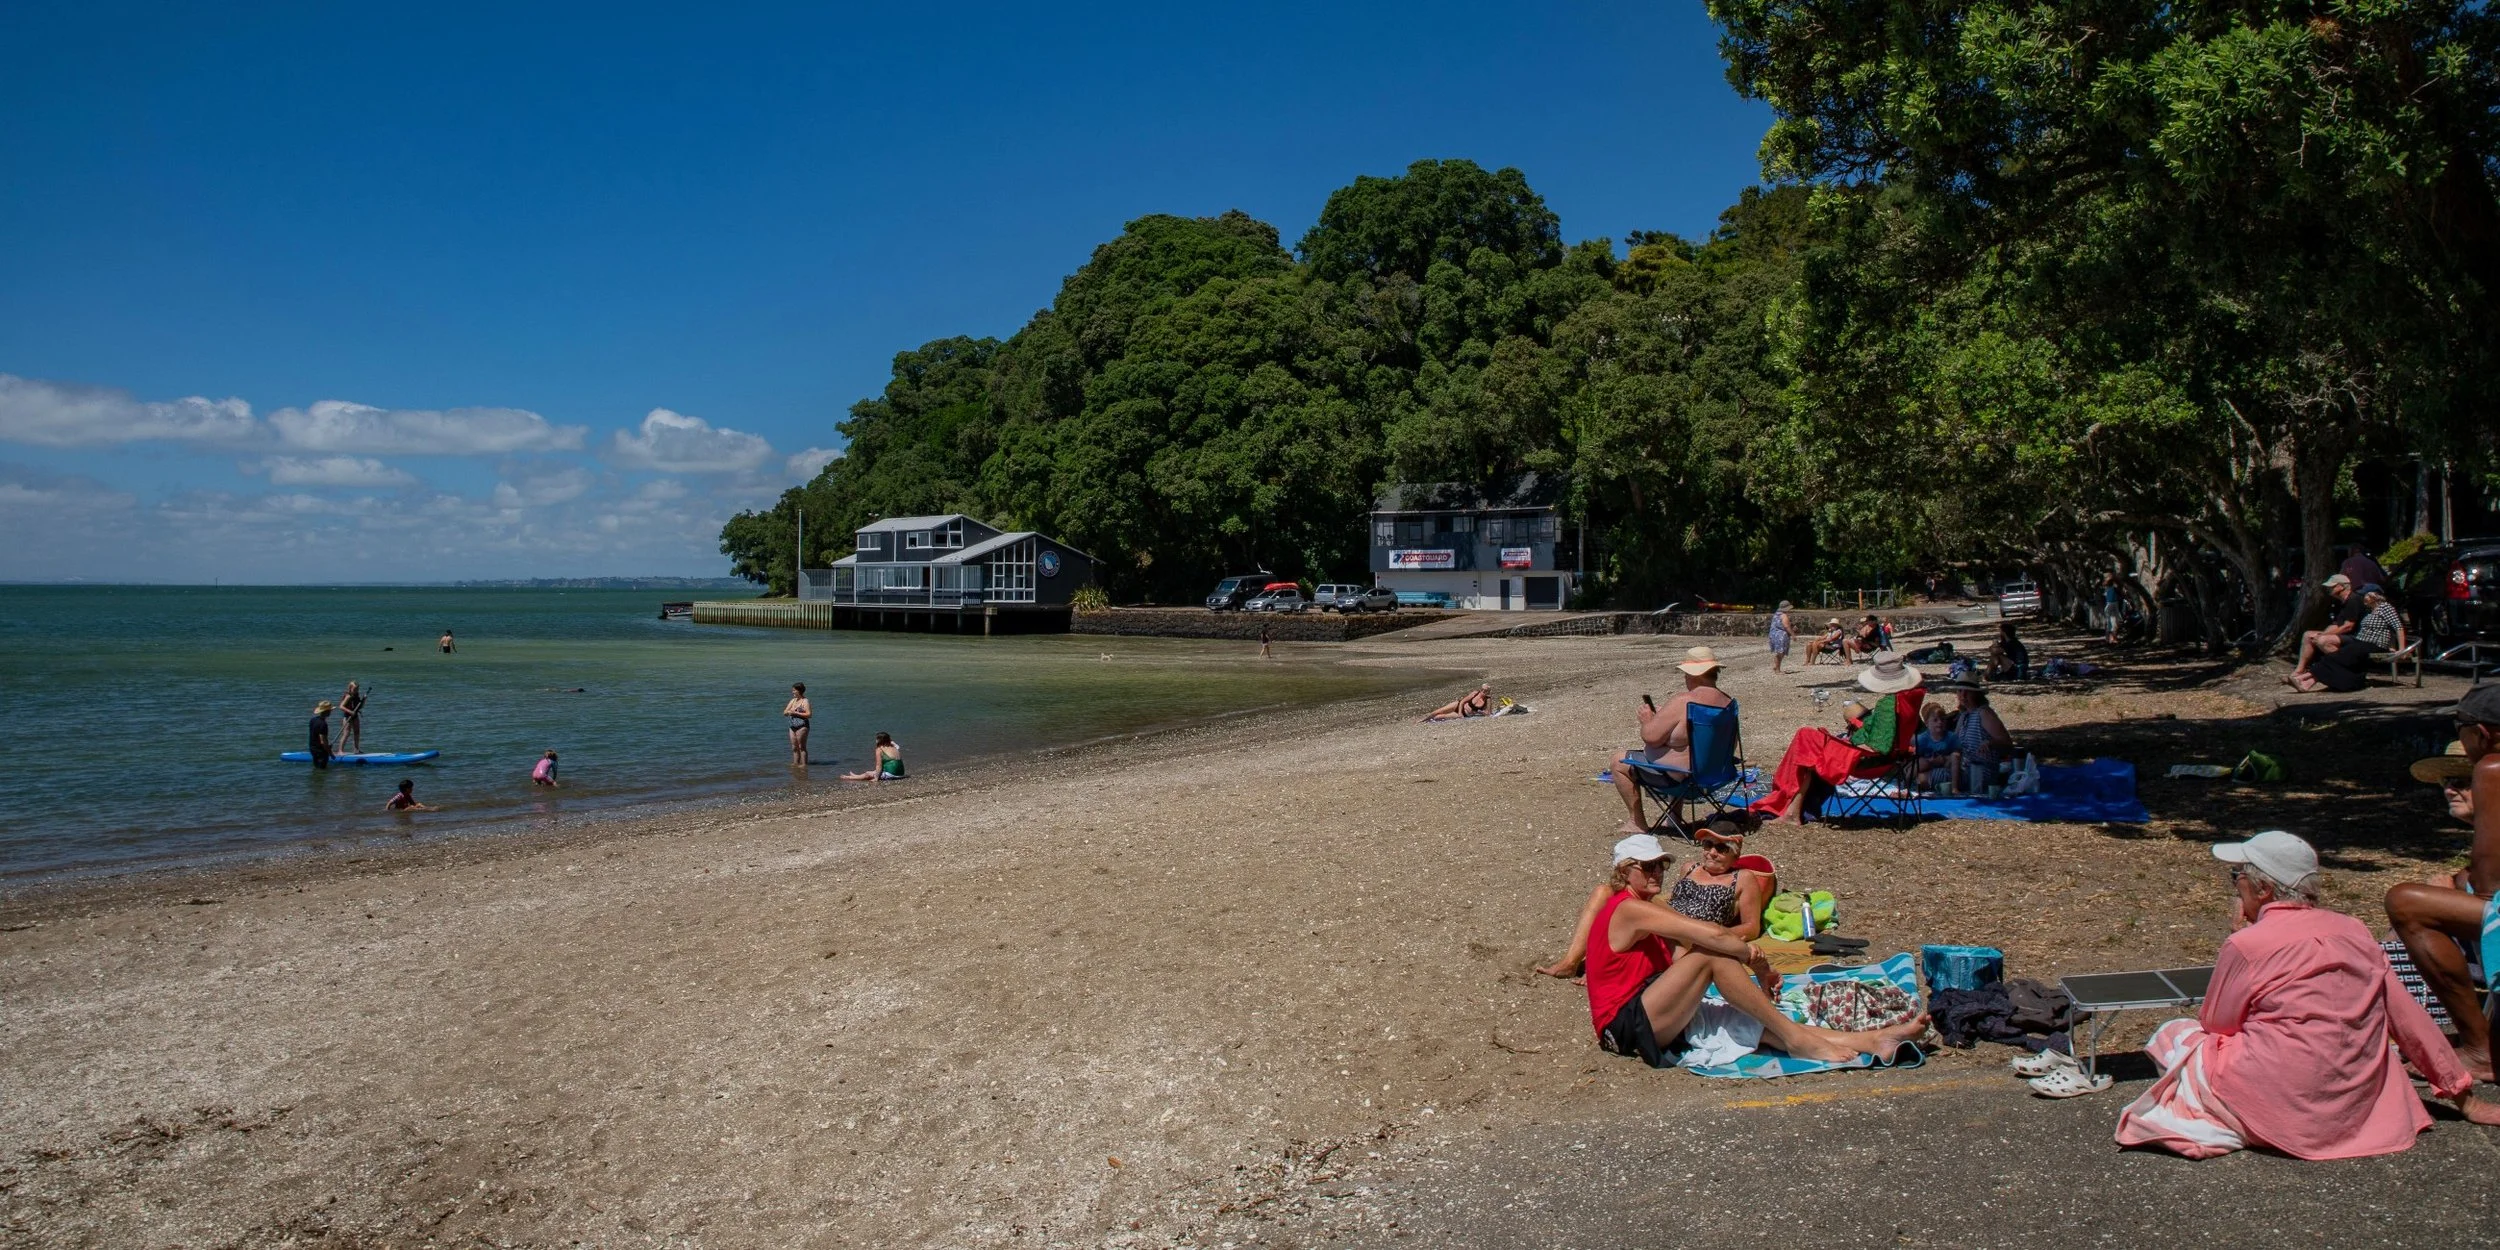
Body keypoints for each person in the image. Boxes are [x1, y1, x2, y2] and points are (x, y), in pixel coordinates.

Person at [2112, 830, 2500, 1157]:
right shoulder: (2354, 930)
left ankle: (2233, 1117)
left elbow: (2217, 1023)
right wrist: (2462, 1094)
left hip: (2285, 1108)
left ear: (2262, 889)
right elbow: (2410, 1019)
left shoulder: (2248, 944)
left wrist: (2237, 937)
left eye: (2237, 877)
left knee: (2176, 1033)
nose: (2234, 886)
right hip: (2356, 1110)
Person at [1582, 833, 1927, 1069]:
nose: (1657, 871)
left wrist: (1739, 982)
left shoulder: (1649, 905)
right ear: (1624, 871)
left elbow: (1684, 954)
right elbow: (1711, 937)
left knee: (1750, 1022)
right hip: (1623, 1026)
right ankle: (1798, 1041)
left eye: (1661, 864)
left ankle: (1873, 1040)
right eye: (1647, 866)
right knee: (1711, 955)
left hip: (1652, 1008)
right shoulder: (1628, 909)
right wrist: (1757, 964)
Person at [2383, 684, 2500, 1078]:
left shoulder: (2492, 767)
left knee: (2406, 902)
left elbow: (2489, 885)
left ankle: (2479, 1048)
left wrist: (2455, 891)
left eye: (2460, 727)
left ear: (2482, 733)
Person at [1538, 818, 1773, 980]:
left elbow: (1752, 927)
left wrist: (1710, 933)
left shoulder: (1742, 878)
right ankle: (1571, 961)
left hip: (1692, 933)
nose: (1712, 852)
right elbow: (1670, 897)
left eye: (1721, 848)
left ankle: (1600, 970)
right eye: (1708, 844)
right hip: (1669, 918)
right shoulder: (1689, 867)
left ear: (1735, 854)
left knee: (1630, 910)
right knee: (1604, 891)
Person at [1750, 651, 1923, 824]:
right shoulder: (1910, 700)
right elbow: (1911, 731)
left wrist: (1850, 745)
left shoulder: (1889, 704)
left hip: (1870, 762)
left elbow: (1880, 746)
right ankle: (1797, 810)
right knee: (1810, 744)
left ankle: (1790, 810)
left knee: (1806, 738)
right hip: (1894, 758)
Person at [1610, 647, 1735, 835]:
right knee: (1677, 750)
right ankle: (1674, 818)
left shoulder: (1684, 701)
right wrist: (1664, 718)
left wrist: (1648, 720)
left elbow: (1650, 737)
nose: (1685, 678)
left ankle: (1637, 823)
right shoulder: (1727, 702)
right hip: (1717, 774)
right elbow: (1692, 736)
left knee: (1618, 761)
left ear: (1694, 675)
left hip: (1682, 778)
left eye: (1685, 674)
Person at [2297, 586, 2403, 693]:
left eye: (2366, 595)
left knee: (2338, 657)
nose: (2363, 597)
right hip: (2361, 643)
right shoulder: (2370, 610)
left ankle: (2305, 677)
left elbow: (2398, 627)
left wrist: (2402, 649)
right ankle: (2308, 681)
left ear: (2374, 595)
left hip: (2373, 644)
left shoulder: (2385, 607)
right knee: (2335, 657)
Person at [2289, 573, 2363, 685]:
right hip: (2345, 635)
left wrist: (2323, 635)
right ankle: (2298, 672)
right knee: (2308, 635)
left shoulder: (2354, 599)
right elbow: (2337, 625)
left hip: (2357, 636)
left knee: (2323, 640)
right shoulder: (2341, 603)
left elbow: (2348, 626)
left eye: (2332, 586)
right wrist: (2322, 633)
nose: (2329, 589)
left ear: (2341, 586)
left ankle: (2343, 668)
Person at [1949, 684, 2014, 794]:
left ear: (1976, 694)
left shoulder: (1984, 713)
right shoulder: (1964, 716)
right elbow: (1954, 745)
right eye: (1960, 691)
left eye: (1967, 692)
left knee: (1925, 778)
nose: (1963, 695)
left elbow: (2007, 745)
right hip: (1962, 768)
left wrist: (1990, 743)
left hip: (1981, 772)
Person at [1911, 702, 1959, 792]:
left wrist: (1945, 759)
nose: (1939, 722)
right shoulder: (1923, 738)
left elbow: (1957, 752)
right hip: (1928, 764)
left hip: (1944, 765)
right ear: (1927, 723)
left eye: (1942, 719)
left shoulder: (1951, 737)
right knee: (1921, 763)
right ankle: (1906, 782)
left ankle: (1954, 787)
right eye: (1935, 720)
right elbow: (1917, 756)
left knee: (1955, 757)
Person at [842, 732, 906, 781]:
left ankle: (849, 777)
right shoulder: (894, 747)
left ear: (879, 740)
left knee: (868, 774)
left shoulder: (879, 749)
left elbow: (879, 765)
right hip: (901, 774)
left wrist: (876, 778)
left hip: (892, 775)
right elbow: (897, 746)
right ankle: (855, 776)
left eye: (877, 739)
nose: (875, 740)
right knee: (871, 772)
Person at [1420, 684, 1494, 722]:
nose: (1483, 692)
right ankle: (1422, 720)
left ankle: (1428, 721)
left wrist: (1480, 712)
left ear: (1488, 692)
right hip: (1458, 706)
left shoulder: (1487, 700)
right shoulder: (1475, 693)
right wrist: (1460, 713)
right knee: (1438, 711)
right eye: (1482, 690)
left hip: (1465, 714)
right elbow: (1462, 701)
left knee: (1440, 716)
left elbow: (1489, 713)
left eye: (1486, 691)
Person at [783, 683, 812, 766]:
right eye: (792, 690)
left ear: (799, 691)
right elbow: (785, 711)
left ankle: (804, 765)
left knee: (801, 747)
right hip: (792, 726)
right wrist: (787, 712)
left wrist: (795, 713)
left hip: (802, 726)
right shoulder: (793, 701)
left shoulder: (805, 701)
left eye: (794, 690)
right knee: (794, 747)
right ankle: (795, 764)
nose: (792, 692)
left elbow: (809, 715)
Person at [339, 681, 367, 754]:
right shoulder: (348, 696)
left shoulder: (356, 696)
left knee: (357, 732)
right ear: (350, 688)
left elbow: (361, 707)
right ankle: (340, 750)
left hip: (355, 716)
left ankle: (356, 749)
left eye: (357, 689)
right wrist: (350, 712)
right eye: (354, 689)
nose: (356, 691)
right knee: (346, 733)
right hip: (347, 716)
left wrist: (364, 699)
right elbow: (341, 706)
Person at [1767, 601, 1793, 674]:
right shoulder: (1784, 615)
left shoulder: (1776, 614)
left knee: (1779, 652)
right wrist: (1793, 634)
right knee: (1780, 653)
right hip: (1781, 636)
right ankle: (1777, 670)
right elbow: (1786, 626)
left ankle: (1776, 666)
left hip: (1773, 635)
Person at [307, 700, 334, 770]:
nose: (331, 711)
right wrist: (330, 753)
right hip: (320, 751)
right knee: (322, 770)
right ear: (327, 711)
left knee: (316, 768)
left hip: (312, 748)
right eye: (330, 710)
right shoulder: (323, 724)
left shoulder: (313, 720)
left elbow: (314, 735)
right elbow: (323, 742)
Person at [2101, 573, 2124, 643]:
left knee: (2110, 623)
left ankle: (2109, 638)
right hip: (2113, 605)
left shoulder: (2107, 589)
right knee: (2114, 623)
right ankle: (2112, 638)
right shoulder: (2114, 589)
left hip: (2109, 605)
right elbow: (2120, 595)